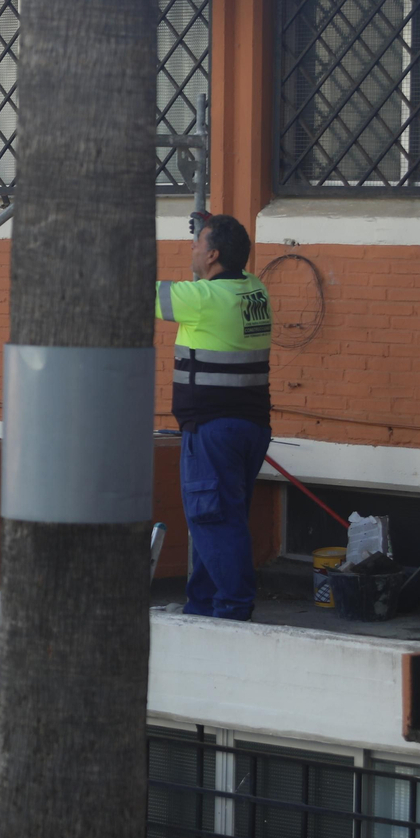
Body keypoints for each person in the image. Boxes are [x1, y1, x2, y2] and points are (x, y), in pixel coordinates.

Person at [156, 213, 272, 620]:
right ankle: (203, 605)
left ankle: (233, 611)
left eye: (197, 244)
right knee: (222, 517)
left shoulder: (202, 299)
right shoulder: (255, 290)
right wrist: (210, 223)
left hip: (212, 431)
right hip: (251, 428)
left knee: (213, 520)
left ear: (214, 255)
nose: (192, 249)